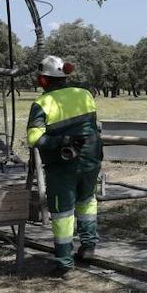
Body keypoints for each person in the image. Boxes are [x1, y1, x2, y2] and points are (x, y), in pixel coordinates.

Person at [26, 55, 102, 278]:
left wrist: (59, 141)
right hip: (91, 160)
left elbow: (34, 138)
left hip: (62, 166)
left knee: (62, 213)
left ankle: (64, 263)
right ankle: (88, 247)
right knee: (87, 201)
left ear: (44, 80)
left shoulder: (42, 104)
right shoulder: (85, 94)